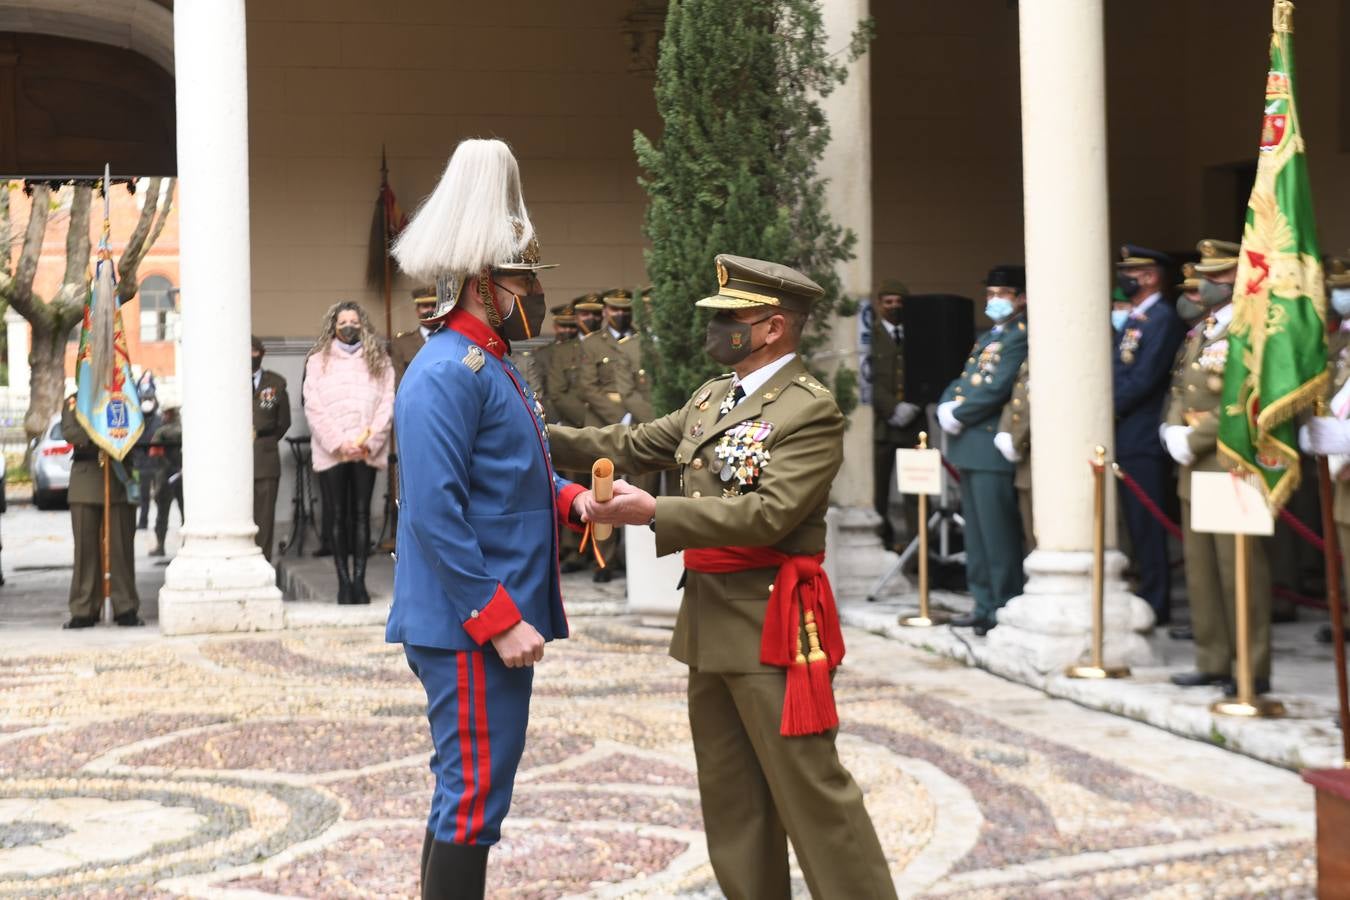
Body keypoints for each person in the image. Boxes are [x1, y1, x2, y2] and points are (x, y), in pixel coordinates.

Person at [550, 254, 897, 900]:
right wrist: (534, 438)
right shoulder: (713, 397)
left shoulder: (806, 410)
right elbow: (632, 444)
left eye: (728, 318)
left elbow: (769, 515)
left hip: (771, 625)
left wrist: (653, 510)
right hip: (709, 620)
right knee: (733, 801)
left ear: (771, 328)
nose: (714, 328)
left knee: (813, 796)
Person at [385, 138, 585, 898]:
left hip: (479, 620)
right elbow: (435, 511)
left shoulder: (488, 360)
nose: (533, 289)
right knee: (471, 799)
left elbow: (507, 475)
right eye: (521, 276)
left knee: (469, 795)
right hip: (468, 624)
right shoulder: (447, 370)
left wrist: (572, 499)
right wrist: (498, 617)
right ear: (482, 284)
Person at [1163, 240, 1274, 694]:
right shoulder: (1203, 331)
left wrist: (1195, 437)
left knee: (1240, 572)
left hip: (1233, 463)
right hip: (1195, 467)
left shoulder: (1254, 330)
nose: (1203, 285)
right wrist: (1172, 430)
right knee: (1202, 572)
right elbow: (1181, 390)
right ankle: (1213, 658)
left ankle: (1251, 666)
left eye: (1214, 276)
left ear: (1235, 278)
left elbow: (1249, 399)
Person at [936, 264, 1029, 635]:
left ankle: (1003, 604)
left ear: (1021, 298)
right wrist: (946, 404)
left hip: (989, 443)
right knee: (975, 533)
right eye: (990, 294)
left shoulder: (1019, 336)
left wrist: (959, 412)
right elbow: (965, 377)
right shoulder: (992, 336)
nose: (993, 301)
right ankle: (983, 602)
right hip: (969, 445)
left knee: (997, 533)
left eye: (1001, 295)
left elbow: (998, 387)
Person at [303, 301, 395, 605]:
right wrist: (339, 442)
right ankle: (343, 581)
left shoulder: (379, 359)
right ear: (334, 325)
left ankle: (360, 580)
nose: (349, 326)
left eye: (354, 321)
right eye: (343, 321)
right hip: (334, 453)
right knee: (338, 516)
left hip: (366, 449)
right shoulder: (317, 361)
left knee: (361, 516)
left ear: (362, 324)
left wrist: (369, 440)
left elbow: (387, 402)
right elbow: (313, 405)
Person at [1113, 244, 1185, 626]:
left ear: (1152, 275)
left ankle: (1157, 601)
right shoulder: (1139, 319)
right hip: (1127, 433)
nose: (1125, 276)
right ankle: (1146, 592)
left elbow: (1145, 378)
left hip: (1142, 434)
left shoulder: (1162, 319)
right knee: (1134, 524)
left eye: (1133, 270)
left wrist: (1106, 405)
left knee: (1148, 523)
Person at [61, 394, 142, 628]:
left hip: (118, 477)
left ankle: (125, 606)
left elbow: (136, 429)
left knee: (121, 548)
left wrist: (105, 432)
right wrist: (102, 431)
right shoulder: (75, 401)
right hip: (85, 479)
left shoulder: (124, 395)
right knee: (85, 550)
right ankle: (84, 608)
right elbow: (71, 433)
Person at [870, 278, 923, 550]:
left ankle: (918, 551)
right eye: (888, 302)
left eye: (899, 302)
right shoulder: (870, 335)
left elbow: (928, 370)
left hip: (915, 426)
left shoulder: (920, 333)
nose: (894, 307)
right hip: (881, 425)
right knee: (876, 491)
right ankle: (880, 543)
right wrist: (891, 407)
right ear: (879, 304)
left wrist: (914, 404)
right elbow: (867, 377)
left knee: (916, 492)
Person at [384, 287, 439, 551]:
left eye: (433, 305)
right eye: (423, 306)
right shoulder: (402, 344)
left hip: (453, 422)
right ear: (416, 309)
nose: (428, 310)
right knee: (414, 482)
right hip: (416, 424)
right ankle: (413, 540)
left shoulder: (453, 338)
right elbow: (398, 386)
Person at [252, 336, 292, 564]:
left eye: (253, 351)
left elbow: (283, 422)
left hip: (266, 458)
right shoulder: (228, 380)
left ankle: (263, 564)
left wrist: (264, 440)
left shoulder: (275, 383)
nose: (250, 356)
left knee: (265, 517)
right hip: (235, 462)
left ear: (262, 353)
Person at [994, 359, 1033, 553]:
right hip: (1027, 462)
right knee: (1032, 536)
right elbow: (1017, 399)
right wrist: (1006, 432)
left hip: (1041, 457)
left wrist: (1016, 441)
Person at [150, 405, 184, 558]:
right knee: (185, 512)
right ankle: (187, 544)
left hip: (165, 476)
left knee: (162, 514)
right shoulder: (186, 429)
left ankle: (160, 546)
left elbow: (154, 453)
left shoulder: (161, 432)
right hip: (182, 474)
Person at [132, 372, 162, 530]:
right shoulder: (136, 420)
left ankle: (159, 525)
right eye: (144, 399)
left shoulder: (159, 420)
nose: (147, 402)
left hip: (156, 465)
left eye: (149, 399)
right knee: (143, 497)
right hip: (141, 465)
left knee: (160, 497)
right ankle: (143, 522)